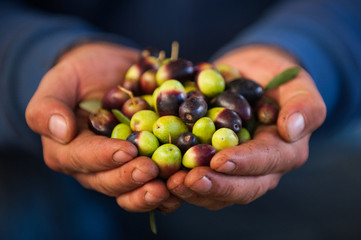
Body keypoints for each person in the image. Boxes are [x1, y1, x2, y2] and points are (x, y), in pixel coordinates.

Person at [1, 0, 360, 239]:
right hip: (20, 152)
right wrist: (28, 61)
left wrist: (313, 51)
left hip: (311, 113)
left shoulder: (203, 111)